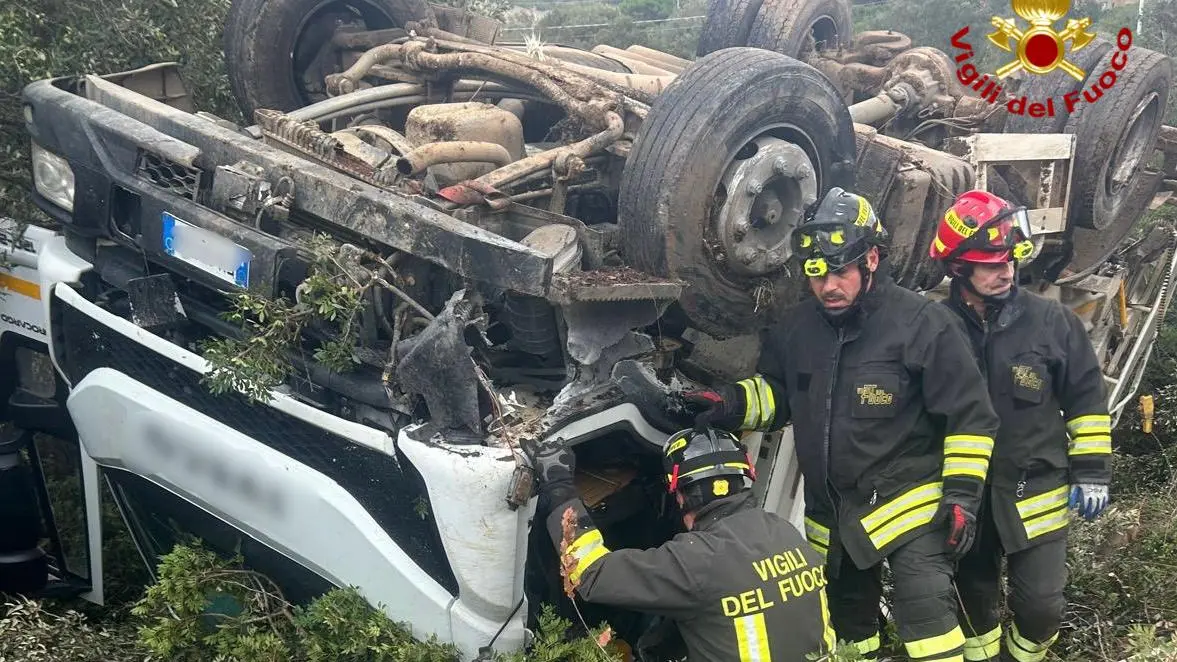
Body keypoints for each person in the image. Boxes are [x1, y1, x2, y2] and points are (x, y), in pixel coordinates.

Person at [678, 187, 1001, 662]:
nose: (829, 285)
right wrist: (726, 402)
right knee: (850, 637)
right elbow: (780, 398)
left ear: (871, 258)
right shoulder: (797, 328)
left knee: (931, 633)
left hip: (911, 512)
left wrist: (962, 500)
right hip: (833, 522)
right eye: (816, 273)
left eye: (841, 271)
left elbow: (971, 419)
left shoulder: (922, 324)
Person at [927, 190, 1112, 662]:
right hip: (966, 502)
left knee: (1041, 608)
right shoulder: (932, 326)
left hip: (1036, 493)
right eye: (990, 263)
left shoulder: (1052, 323)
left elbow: (1086, 400)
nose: (1005, 270)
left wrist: (1091, 471)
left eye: (1008, 259)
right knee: (975, 612)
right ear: (958, 268)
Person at [523, 425, 838, 662]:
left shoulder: (698, 560)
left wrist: (560, 485)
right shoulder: (783, 530)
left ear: (681, 494)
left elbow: (592, 575)